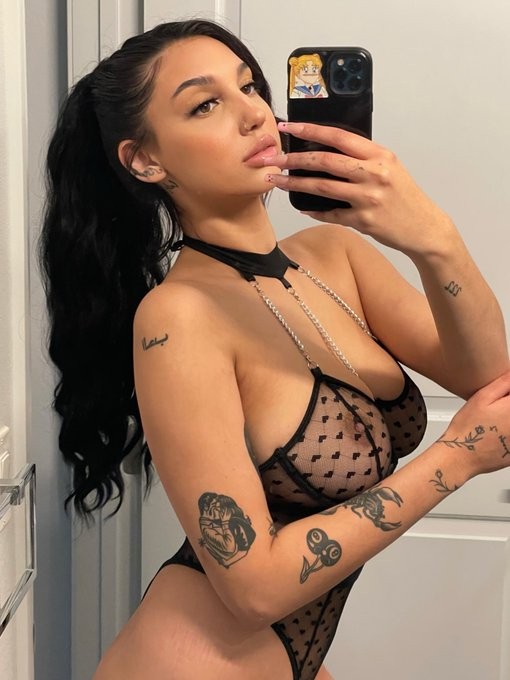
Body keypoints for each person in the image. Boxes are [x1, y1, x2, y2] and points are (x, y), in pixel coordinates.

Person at [39, 18, 510, 680]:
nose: (254, 114)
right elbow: (253, 590)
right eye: (206, 104)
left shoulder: (336, 256)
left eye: (250, 86)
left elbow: (489, 378)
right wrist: (455, 459)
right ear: (146, 161)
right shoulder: (178, 318)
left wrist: (433, 237)